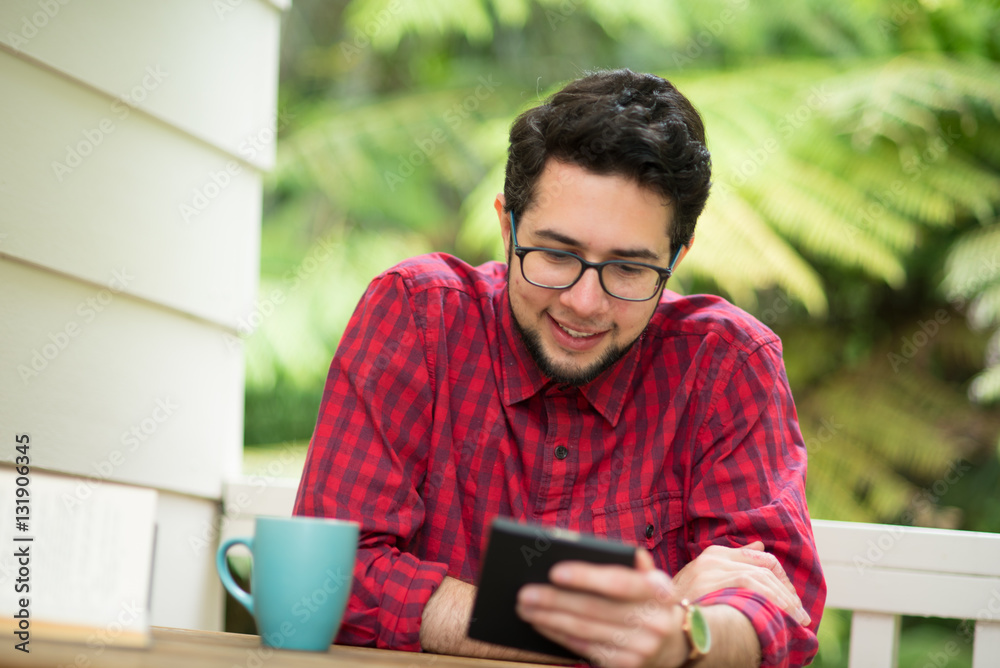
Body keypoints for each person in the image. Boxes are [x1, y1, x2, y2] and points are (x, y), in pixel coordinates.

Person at [294, 68, 826, 667]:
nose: (584, 303)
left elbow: (773, 605)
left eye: (628, 269)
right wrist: (609, 628)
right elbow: (334, 574)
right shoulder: (417, 316)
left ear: (678, 258)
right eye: (555, 254)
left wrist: (685, 633)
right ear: (506, 226)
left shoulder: (728, 363)